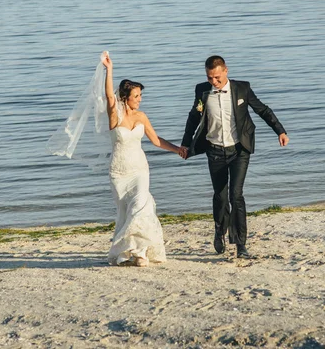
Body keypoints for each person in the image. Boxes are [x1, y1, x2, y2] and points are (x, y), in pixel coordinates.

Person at [178, 55, 289, 259]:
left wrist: (280, 131)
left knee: (235, 195)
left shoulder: (242, 88)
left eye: (217, 77)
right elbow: (193, 117)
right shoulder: (202, 91)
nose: (214, 82)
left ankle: (240, 244)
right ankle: (220, 231)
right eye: (210, 77)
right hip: (214, 150)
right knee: (220, 196)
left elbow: (262, 110)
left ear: (226, 71)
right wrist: (185, 143)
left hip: (239, 150)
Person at [102, 53, 181, 267]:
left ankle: (141, 251)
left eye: (140, 95)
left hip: (139, 170)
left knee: (141, 205)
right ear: (125, 97)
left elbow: (156, 140)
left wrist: (177, 149)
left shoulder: (141, 117)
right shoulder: (114, 116)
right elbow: (109, 96)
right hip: (119, 172)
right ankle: (125, 252)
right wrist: (109, 69)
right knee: (124, 212)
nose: (140, 99)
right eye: (136, 96)